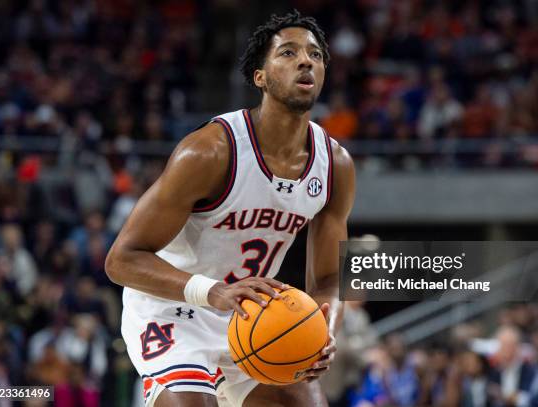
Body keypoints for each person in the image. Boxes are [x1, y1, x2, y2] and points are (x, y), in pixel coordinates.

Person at [105, 10, 355, 407]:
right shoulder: (209, 151)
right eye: (288, 53)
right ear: (260, 77)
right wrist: (215, 292)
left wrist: (324, 331)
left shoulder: (334, 164)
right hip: (175, 308)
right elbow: (121, 260)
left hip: (250, 319)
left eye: (315, 55)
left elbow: (328, 278)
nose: (306, 61)